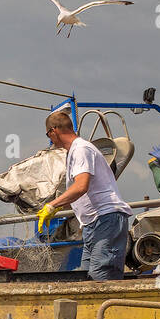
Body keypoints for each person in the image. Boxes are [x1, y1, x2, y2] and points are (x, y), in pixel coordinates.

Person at [36, 111, 133, 280]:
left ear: (54, 131)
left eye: (48, 134)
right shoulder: (75, 151)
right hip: (93, 224)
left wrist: (52, 205)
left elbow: (81, 186)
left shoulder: (81, 149)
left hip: (106, 219)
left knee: (100, 279)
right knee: (86, 278)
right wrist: (56, 207)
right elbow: (80, 194)